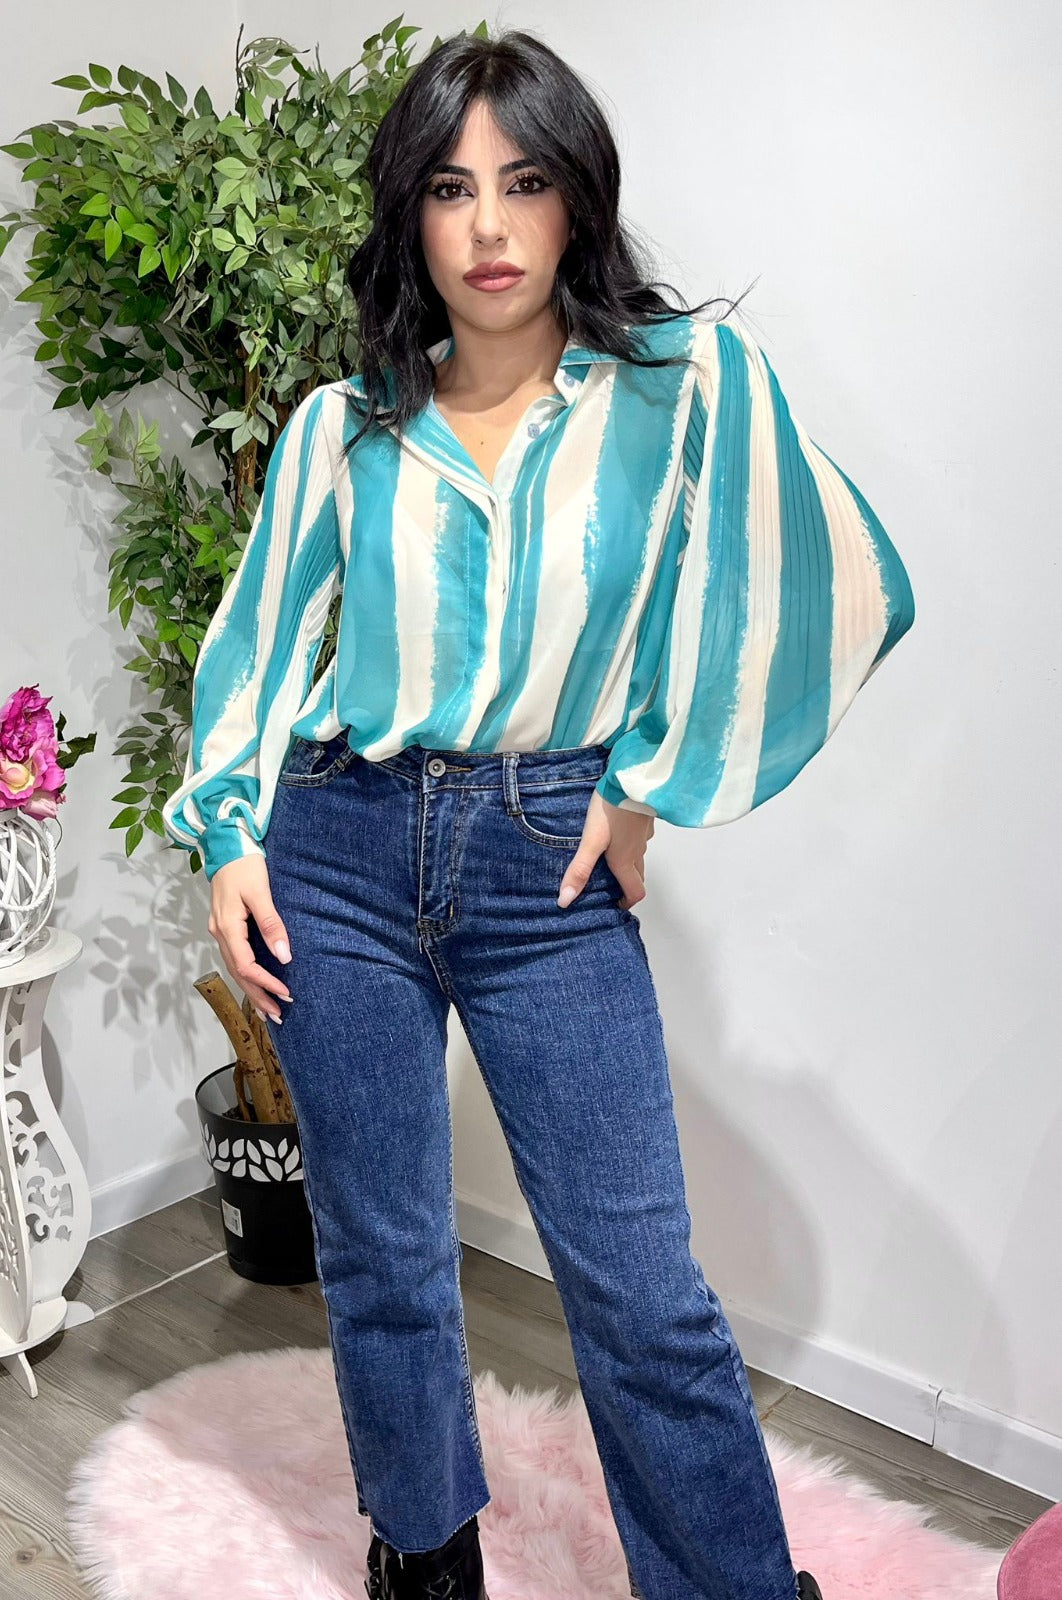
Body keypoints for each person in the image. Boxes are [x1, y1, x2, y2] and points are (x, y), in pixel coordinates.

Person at [162, 26, 914, 1600]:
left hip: (540, 865)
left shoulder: (678, 389)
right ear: (409, 214)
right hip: (337, 853)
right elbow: (253, 644)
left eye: (524, 182)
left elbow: (821, 582)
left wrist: (645, 787)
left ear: (578, 199)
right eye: (449, 189)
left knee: (637, 1287)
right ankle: (423, 1553)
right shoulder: (341, 427)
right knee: (380, 1251)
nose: (489, 228)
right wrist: (227, 833)